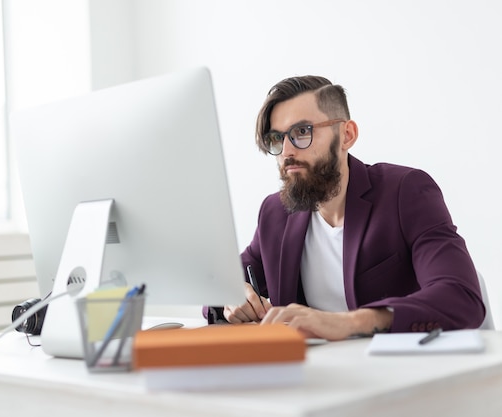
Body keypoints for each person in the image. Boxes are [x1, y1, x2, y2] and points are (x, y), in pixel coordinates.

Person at [205, 75, 485, 340]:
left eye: (302, 132)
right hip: (318, 377)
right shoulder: (276, 213)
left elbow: (461, 297)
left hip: (406, 375)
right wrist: (230, 298)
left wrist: (350, 322)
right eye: (277, 138)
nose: (287, 151)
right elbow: (217, 287)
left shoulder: (405, 192)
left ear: (347, 135)